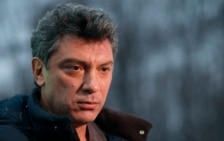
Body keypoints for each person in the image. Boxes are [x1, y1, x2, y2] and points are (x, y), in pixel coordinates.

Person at [0, 3, 152, 141]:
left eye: (104, 69)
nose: (92, 86)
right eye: (75, 68)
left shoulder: (122, 136)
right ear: (39, 72)